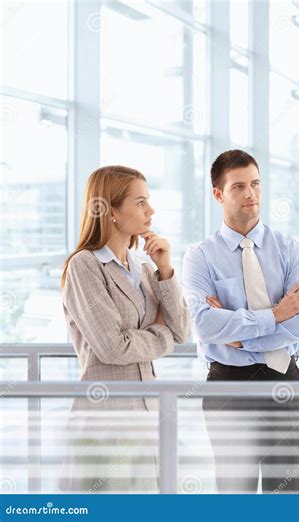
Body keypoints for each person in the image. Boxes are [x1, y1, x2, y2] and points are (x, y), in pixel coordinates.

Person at [182, 150, 299, 493]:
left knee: (286, 496)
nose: (250, 194)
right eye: (239, 186)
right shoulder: (200, 257)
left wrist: (240, 337)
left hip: (284, 380)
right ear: (218, 194)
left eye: (256, 184)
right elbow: (204, 325)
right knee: (234, 495)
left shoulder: (292, 251)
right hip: (229, 386)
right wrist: (274, 315)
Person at [60, 165, 190, 492]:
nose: (151, 210)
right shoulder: (85, 266)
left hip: (148, 417)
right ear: (111, 211)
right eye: (141, 202)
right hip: (106, 419)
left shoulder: (144, 268)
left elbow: (183, 331)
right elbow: (112, 347)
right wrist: (161, 335)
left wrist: (165, 269)